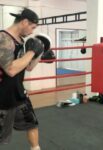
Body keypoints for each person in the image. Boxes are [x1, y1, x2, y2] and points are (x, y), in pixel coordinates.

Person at [0, 8, 47, 150]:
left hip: (19, 94)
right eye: (32, 27)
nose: (32, 32)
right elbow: (11, 69)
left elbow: (28, 67)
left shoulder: (21, 41)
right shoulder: (3, 38)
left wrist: (39, 53)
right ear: (24, 22)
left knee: (32, 124)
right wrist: (32, 51)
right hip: (2, 97)